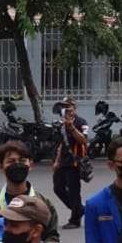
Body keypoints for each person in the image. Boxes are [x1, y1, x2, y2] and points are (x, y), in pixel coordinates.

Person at [0, 141, 61, 243]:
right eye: (11, 161)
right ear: (1, 166)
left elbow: (52, 240)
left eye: (22, 161)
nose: (17, 165)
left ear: (30, 165)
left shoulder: (44, 203)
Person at [51, 98, 88, 229]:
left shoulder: (81, 122)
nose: (67, 109)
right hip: (63, 162)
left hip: (75, 162)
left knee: (73, 191)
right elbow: (61, 143)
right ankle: (78, 209)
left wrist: (71, 127)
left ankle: (75, 219)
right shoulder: (62, 123)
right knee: (58, 188)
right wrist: (57, 161)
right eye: (64, 106)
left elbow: (83, 140)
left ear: (75, 107)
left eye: (69, 106)